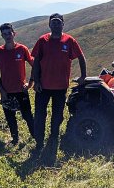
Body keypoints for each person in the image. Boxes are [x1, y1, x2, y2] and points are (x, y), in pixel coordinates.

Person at [31, 13, 87, 150]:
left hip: (61, 87)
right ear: (49, 24)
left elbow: (81, 57)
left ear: (63, 24)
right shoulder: (42, 40)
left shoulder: (69, 41)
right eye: (53, 22)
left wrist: (83, 76)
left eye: (58, 22)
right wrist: (36, 81)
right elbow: (36, 61)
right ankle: (39, 141)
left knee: (57, 115)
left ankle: (53, 137)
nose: (56, 24)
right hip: (43, 86)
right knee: (39, 114)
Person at [0, 23, 35, 145]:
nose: (7, 36)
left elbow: (34, 65)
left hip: (22, 90)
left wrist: (30, 83)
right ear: (2, 36)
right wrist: (2, 91)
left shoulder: (22, 49)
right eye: (4, 34)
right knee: (10, 118)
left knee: (28, 116)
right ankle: (15, 139)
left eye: (9, 33)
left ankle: (36, 137)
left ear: (13, 33)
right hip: (6, 92)